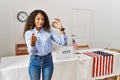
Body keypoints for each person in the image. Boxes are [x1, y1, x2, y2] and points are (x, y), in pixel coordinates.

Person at [23, 9, 68, 80]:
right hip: (35, 61)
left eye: (42, 19)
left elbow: (64, 43)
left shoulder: (48, 30)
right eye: (38, 19)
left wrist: (61, 29)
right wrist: (32, 44)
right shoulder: (28, 33)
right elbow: (32, 52)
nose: (40, 21)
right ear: (33, 19)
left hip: (48, 61)